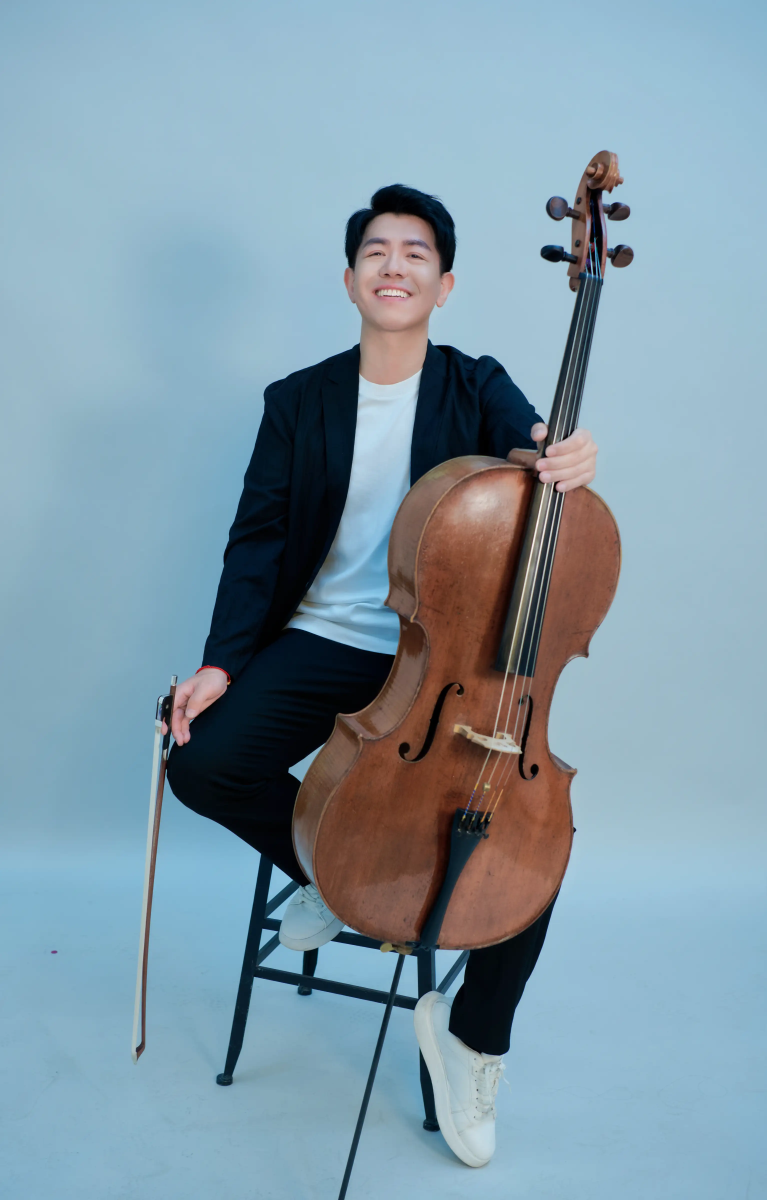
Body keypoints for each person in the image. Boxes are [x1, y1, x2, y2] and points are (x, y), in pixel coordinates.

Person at [165, 184, 598, 1169]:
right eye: (376, 251)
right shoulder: (298, 400)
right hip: (322, 641)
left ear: (444, 285)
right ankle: (331, 870)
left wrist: (561, 452)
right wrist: (222, 663)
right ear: (351, 278)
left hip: (445, 661)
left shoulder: (473, 382)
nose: (393, 265)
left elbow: (532, 444)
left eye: (415, 253)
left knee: (532, 848)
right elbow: (256, 541)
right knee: (202, 764)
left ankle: (473, 1042)